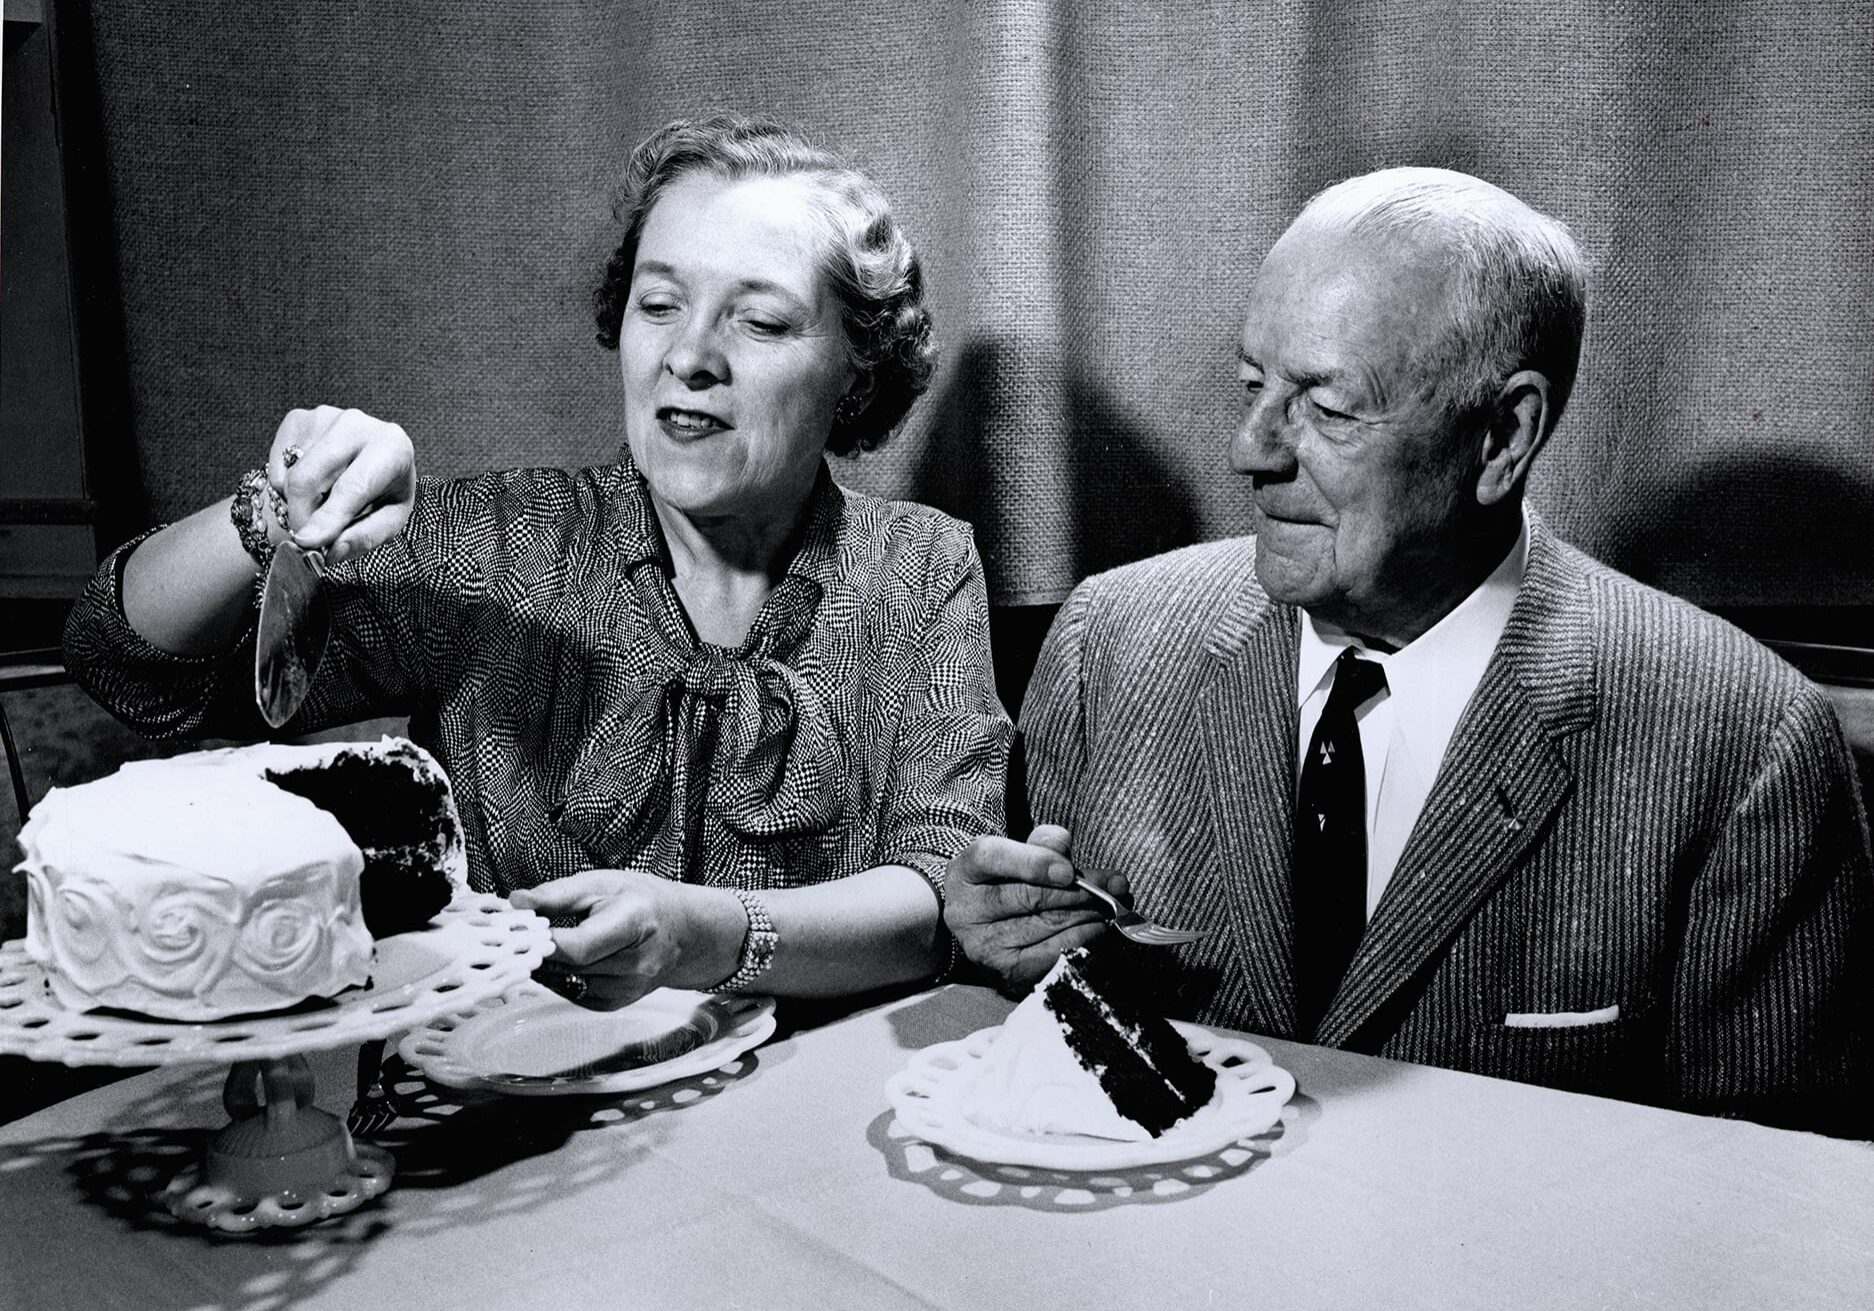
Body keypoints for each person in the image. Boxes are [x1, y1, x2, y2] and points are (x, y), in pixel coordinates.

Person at [945, 167, 1874, 1135]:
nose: (1249, 450)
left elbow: (1769, 1185)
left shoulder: (1738, 738)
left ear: (1502, 436)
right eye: (1251, 386)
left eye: (1327, 407)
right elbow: (1038, 1039)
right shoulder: (1112, 640)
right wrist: (1006, 954)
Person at [64, 115, 1011, 1009]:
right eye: (659, 305)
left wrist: (711, 934)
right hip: (501, 1119)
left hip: (786, 1124)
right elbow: (123, 657)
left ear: (857, 366)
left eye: (759, 322)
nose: (689, 355)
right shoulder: (504, 543)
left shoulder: (917, 567)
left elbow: (940, 894)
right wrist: (280, 504)